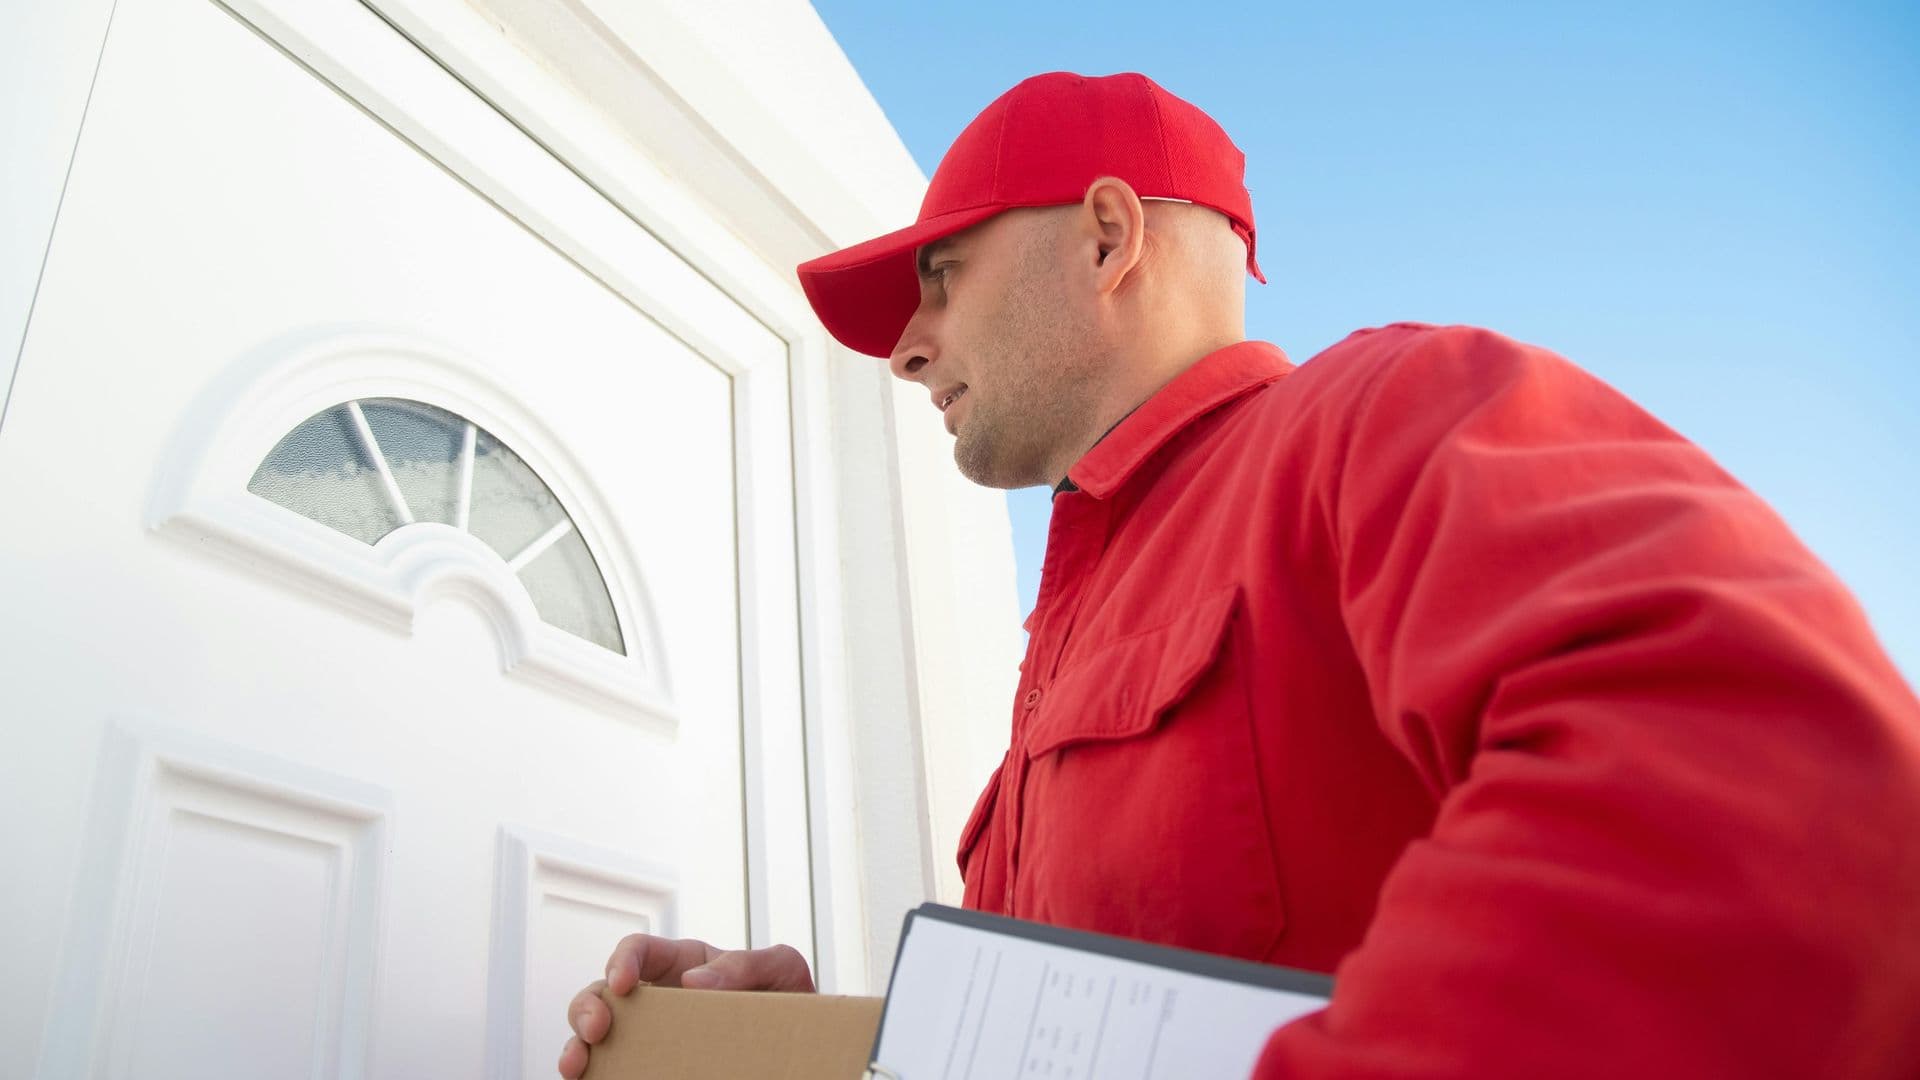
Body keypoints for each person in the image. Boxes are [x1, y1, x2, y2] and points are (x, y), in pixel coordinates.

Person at [560, 71, 1920, 1078]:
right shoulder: (1063, 634)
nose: (906, 348)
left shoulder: (1380, 419)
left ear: (1106, 236)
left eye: (943, 275)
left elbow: (1793, 799)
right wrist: (832, 1047)